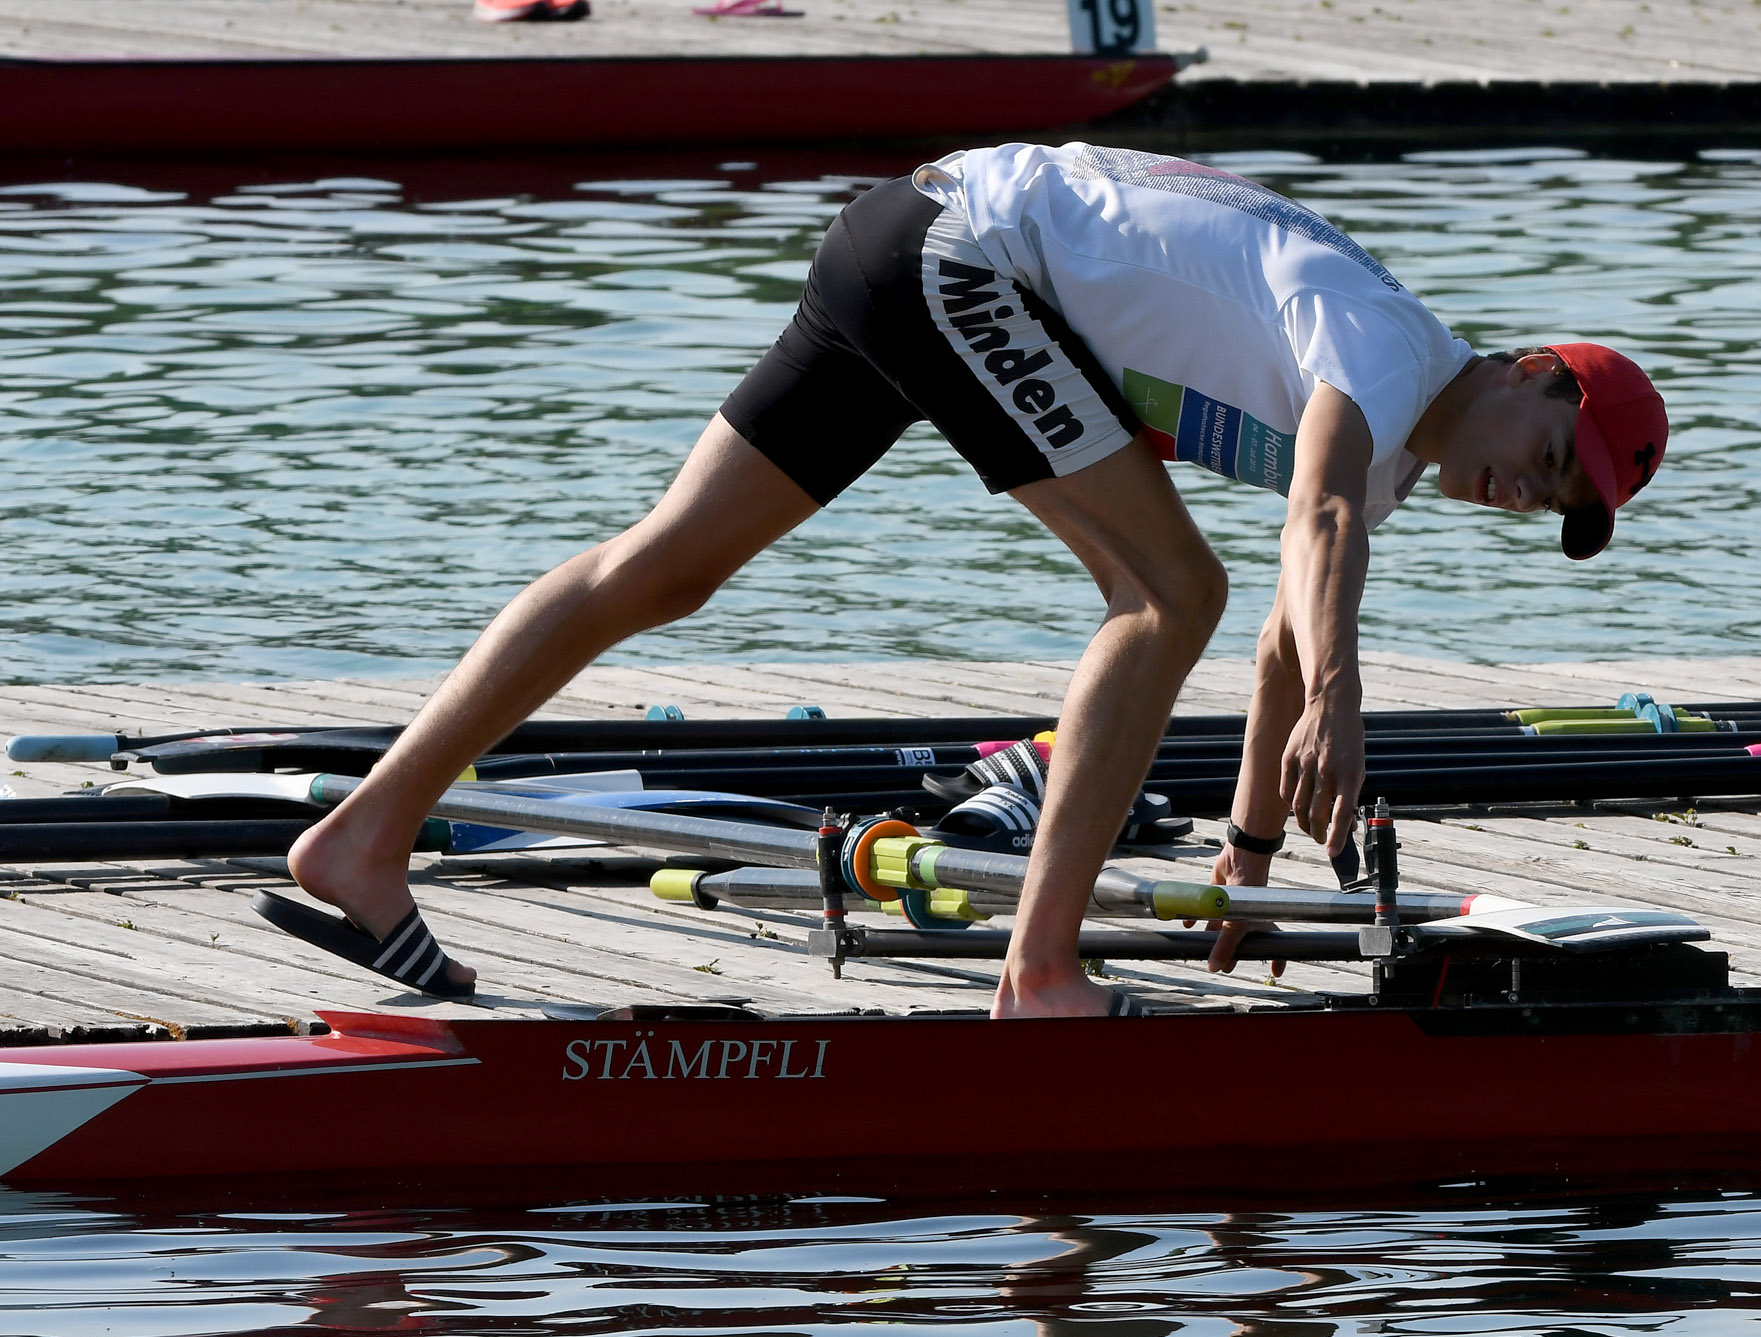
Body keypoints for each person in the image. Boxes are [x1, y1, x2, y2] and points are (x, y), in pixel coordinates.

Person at [275, 142, 1669, 1015]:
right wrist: (1349, 701)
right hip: (962, 261)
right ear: (1534, 368)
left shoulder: (1393, 437)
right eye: (1549, 454)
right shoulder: (1378, 340)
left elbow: (1286, 645)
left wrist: (1247, 861)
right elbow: (1311, 530)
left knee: (665, 572)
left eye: (1549, 502)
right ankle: (1041, 970)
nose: (1521, 492)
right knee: (1165, 592)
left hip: (903, 238)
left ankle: (362, 836)